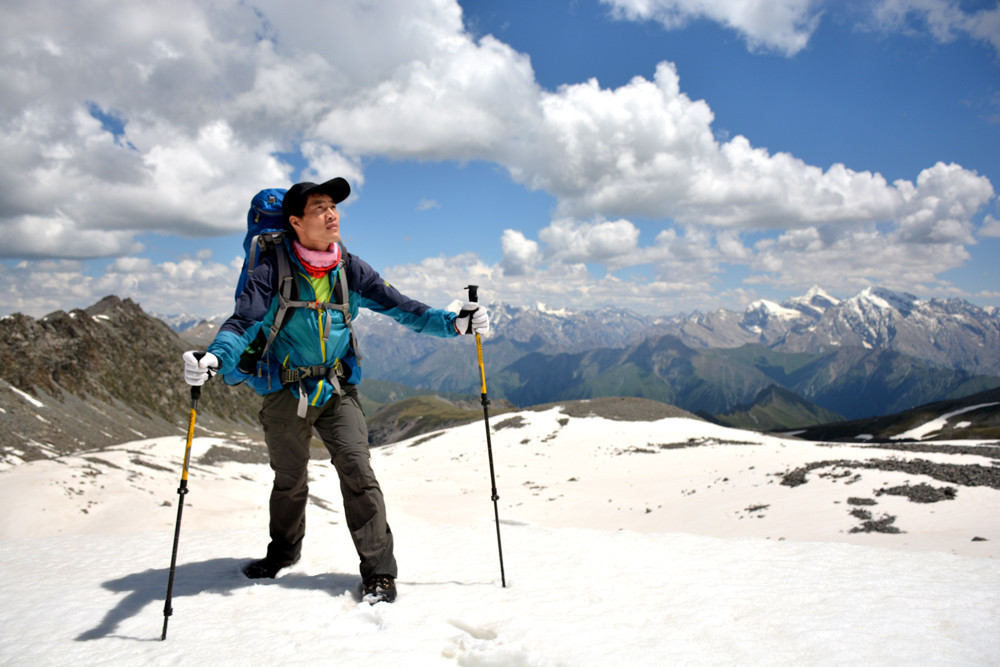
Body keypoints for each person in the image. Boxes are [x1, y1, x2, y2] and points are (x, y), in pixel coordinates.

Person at [182, 177, 489, 604]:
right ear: (295, 222)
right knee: (289, 479)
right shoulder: (271, 268)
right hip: (284, 389)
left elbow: (401, 306)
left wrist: (453, 323)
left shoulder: (350, 268)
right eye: (319, 208)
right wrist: (215, 358)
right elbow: (244, 321)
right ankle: (282, 554)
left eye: (333, 206)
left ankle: (380, 573)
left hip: (336, 387)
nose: (331, 214)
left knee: (358, 473)